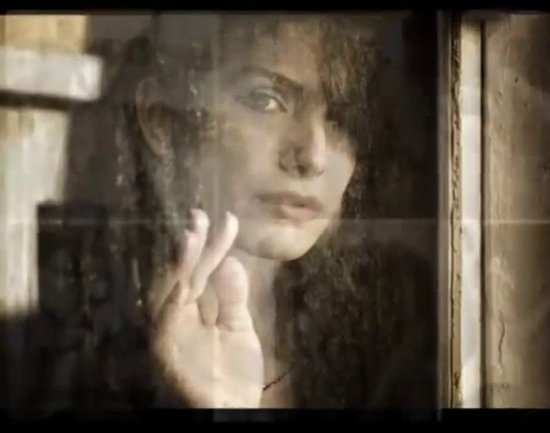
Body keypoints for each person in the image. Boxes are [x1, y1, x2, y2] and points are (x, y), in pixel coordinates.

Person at [42, 13, 438, 411]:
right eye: (264, 100)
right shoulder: (68, 340)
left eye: (342, 119)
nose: (313, 157)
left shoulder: (398, 331)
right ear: (162, 119)